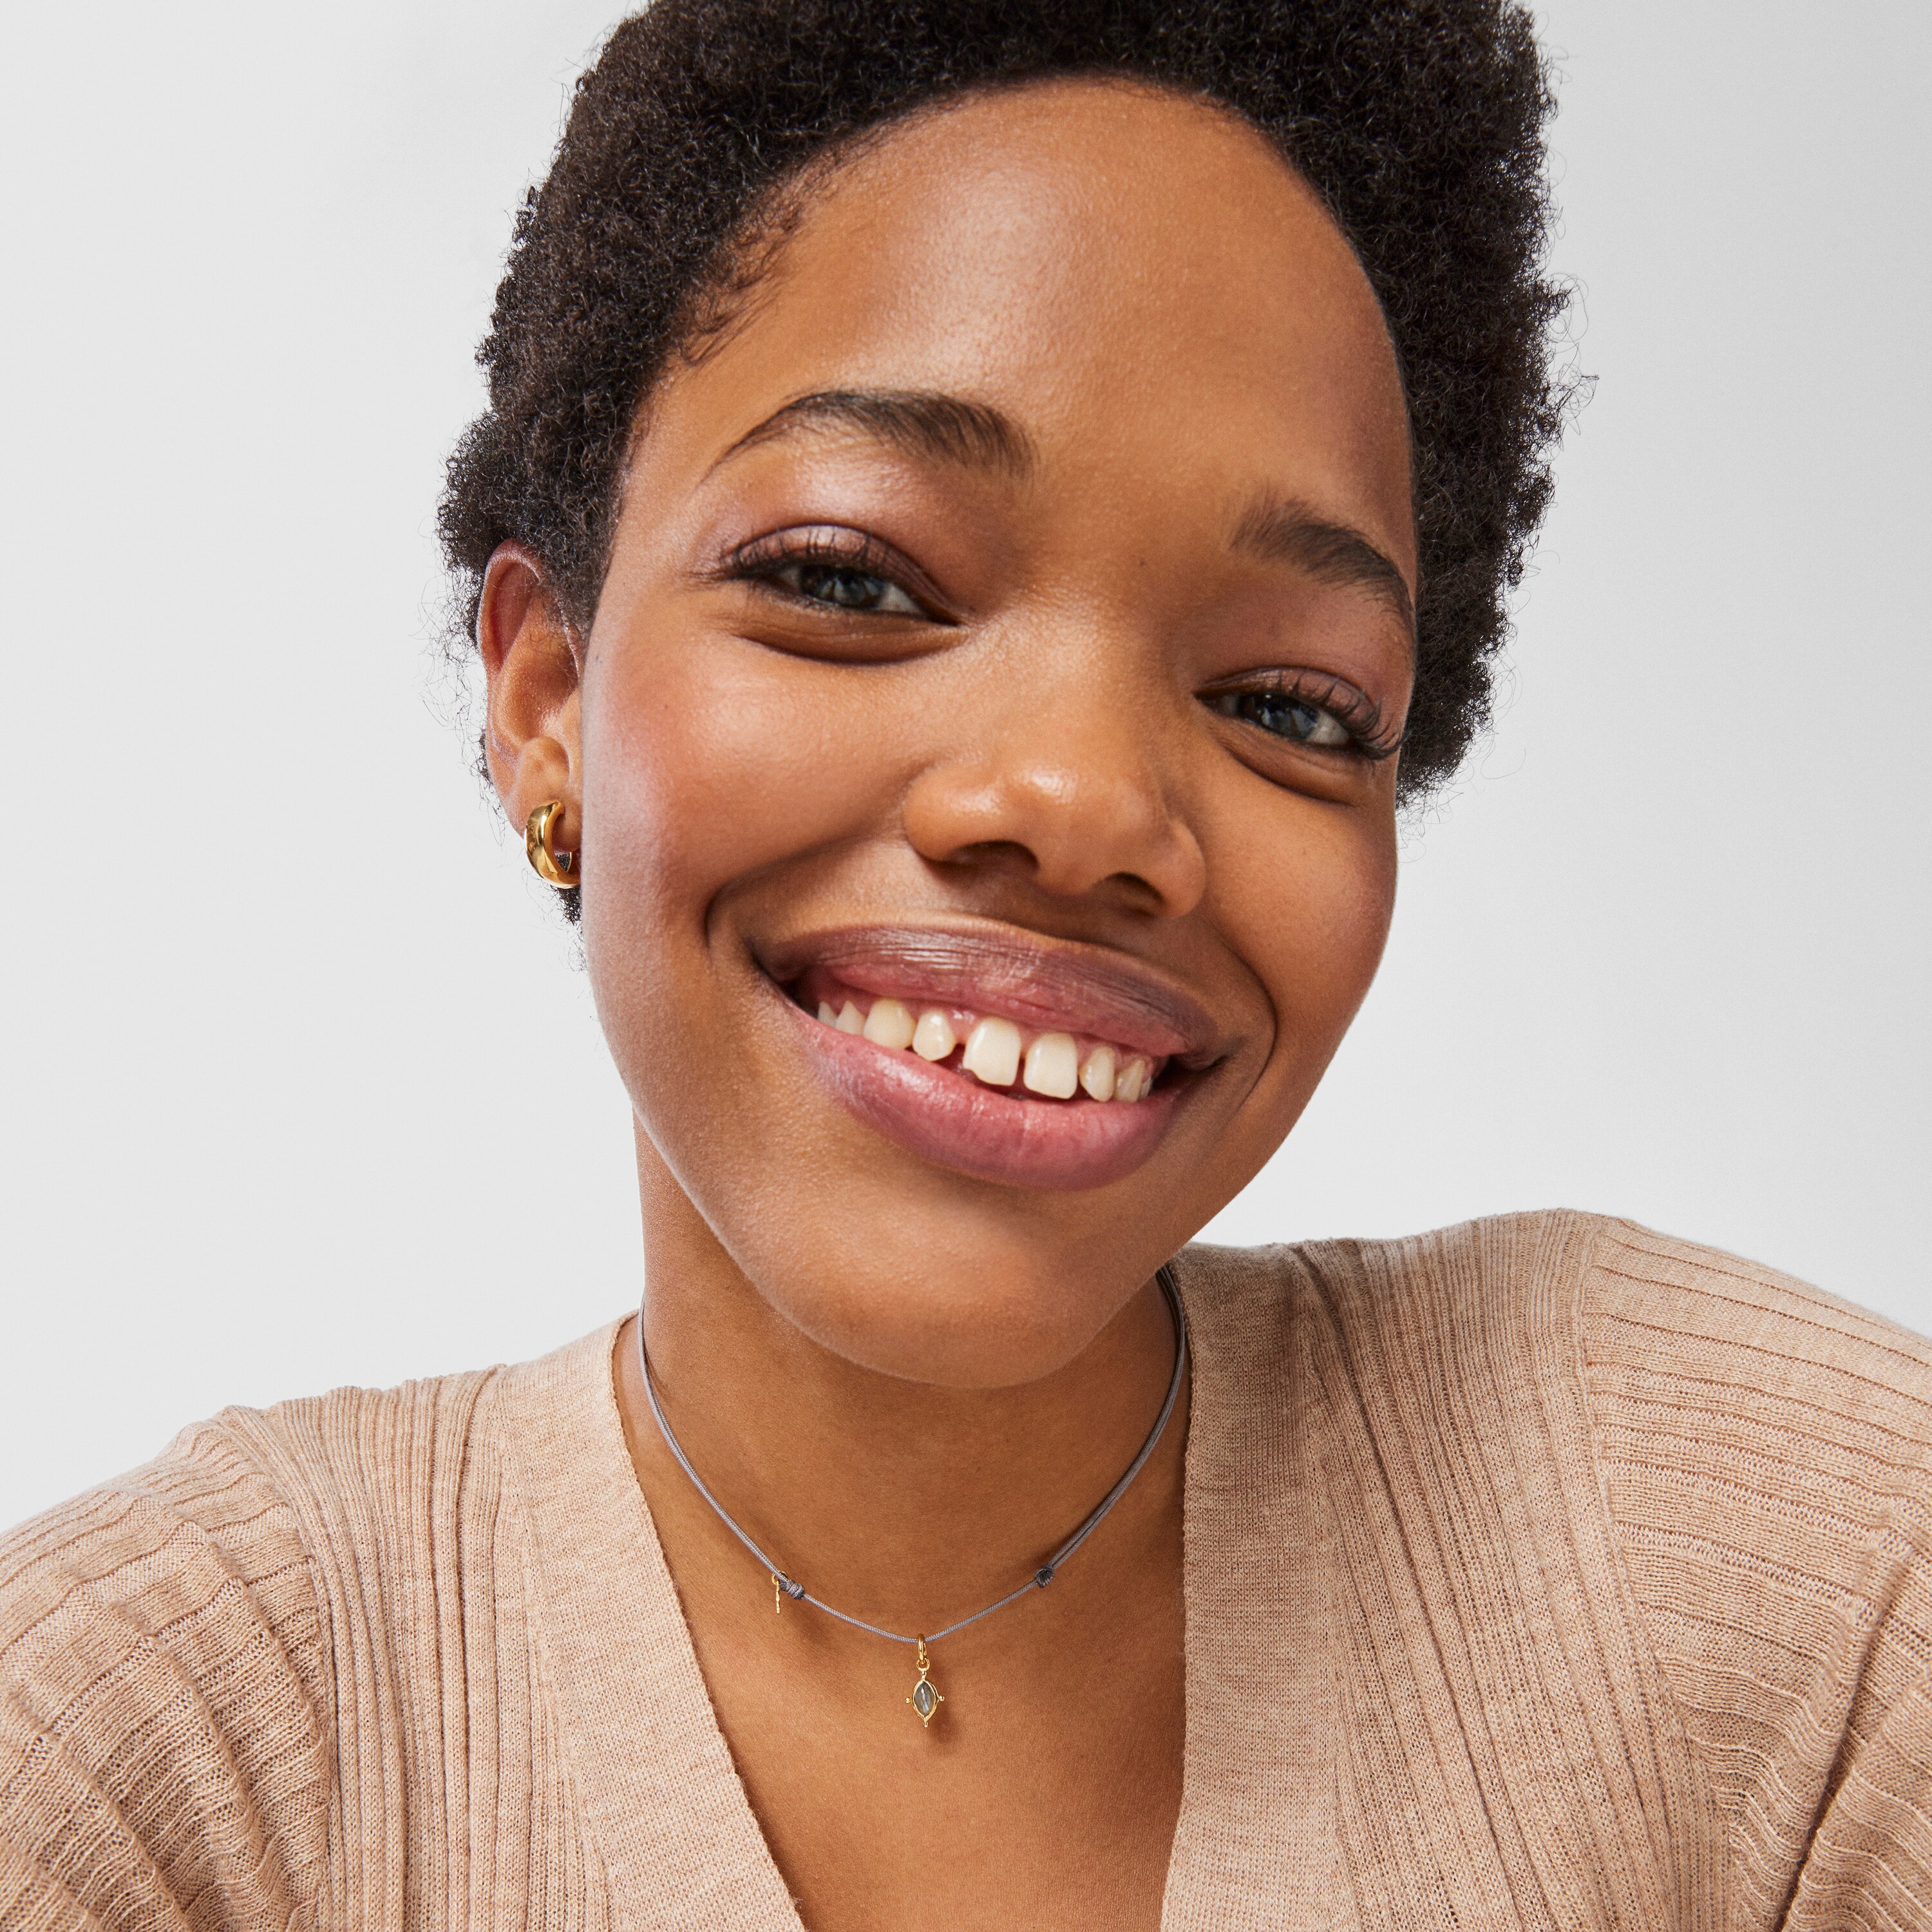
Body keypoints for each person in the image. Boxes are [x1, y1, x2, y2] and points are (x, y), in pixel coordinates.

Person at [4, 1, 1929, 1926]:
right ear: (549, 697)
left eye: (1289, 701)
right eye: (855, 580)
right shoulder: (156, 1758)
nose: (1084, 803)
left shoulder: (1774, 1578)